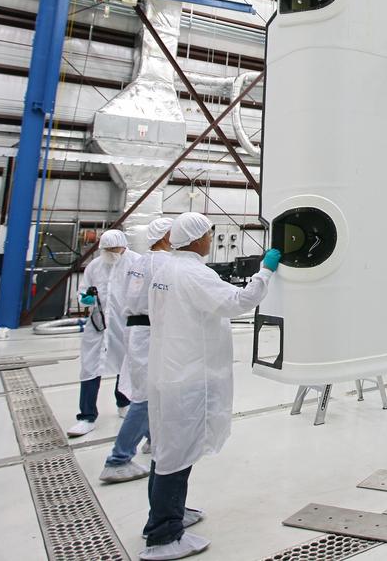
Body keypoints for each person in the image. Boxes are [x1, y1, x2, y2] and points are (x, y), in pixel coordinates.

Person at [141, 212, 280, 560]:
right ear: (196, 239)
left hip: (167, 371)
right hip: (187, 376)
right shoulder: (193, 273)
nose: (210, 239)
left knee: (168, 450)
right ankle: (163, 536)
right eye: (208, 233)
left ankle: (168, 514)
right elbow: (239, 303)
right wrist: (265, 271)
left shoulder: (165, 269)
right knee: (176, 453)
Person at [99, 217, 171, 484]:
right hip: (150, 332)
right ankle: (118, 459)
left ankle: (153, 440)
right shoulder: (162, 263)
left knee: (154, 390)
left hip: (138, 331)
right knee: (146, 397)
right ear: (166, 236)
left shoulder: (140, 262)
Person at [67, 229, 137, 438]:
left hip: (124, 323)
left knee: (124, 364)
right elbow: (82, 290)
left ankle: (123, 402)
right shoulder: (95, 266)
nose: (110, 253)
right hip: (98, 325)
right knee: (90, 367)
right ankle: (86, 416)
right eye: (105, 250)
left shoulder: (136, 263)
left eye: (113, 249)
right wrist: (84, 298)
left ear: (123, 246)